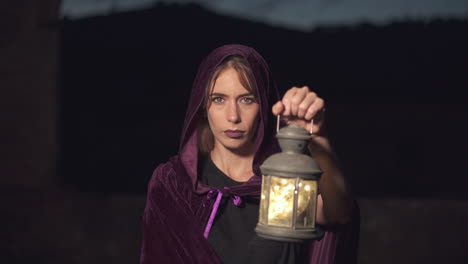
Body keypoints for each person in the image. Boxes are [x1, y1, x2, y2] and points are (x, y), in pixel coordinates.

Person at [140, 44, 358, 264]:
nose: (233, 116)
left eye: (247, 99)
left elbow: (338, 214)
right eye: (218, 99)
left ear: (263, 105)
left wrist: (319, 140)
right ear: (203, 106)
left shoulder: (284, 182)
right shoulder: (175, 183)